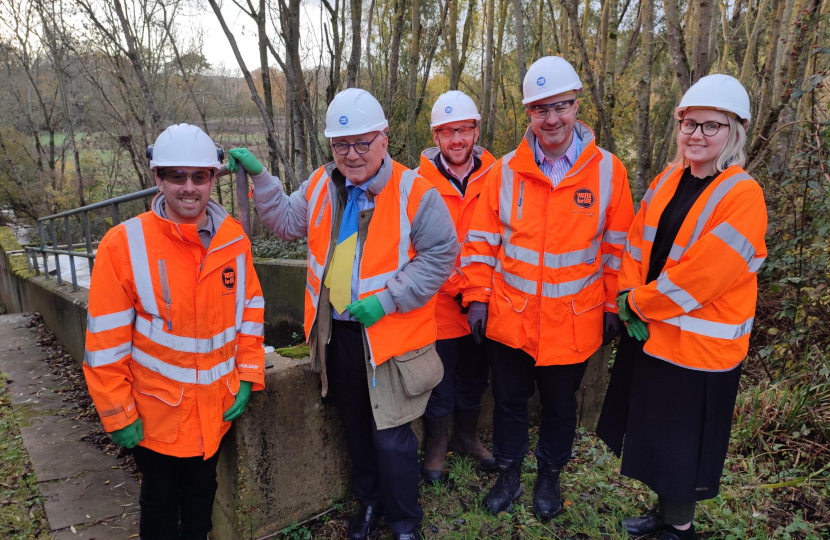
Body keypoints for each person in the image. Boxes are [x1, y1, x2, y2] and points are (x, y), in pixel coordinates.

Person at [230, 88, 457, 540]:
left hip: (389, 336)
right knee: (355, 425)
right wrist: (261, 178)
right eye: (341, 145)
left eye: (362, 143)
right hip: (338, 335)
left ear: (384, 140)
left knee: (392, 435)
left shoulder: (415, 191)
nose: (351, 155)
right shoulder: (322, 184)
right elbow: (288, 222)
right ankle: (369, 504)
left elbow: (441, 255)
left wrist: (389, 299)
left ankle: (404, 521)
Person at [457, 56, 634, 520]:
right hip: (511, 319)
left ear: (578, 106)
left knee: (559, 408)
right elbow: (480, 243)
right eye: (540, 110)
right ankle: (510, 471)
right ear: (528, 114)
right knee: (511, 403)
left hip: (573, 324)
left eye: (561, 106)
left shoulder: (609, 173)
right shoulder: (504, 172)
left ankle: (549, 477)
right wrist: (476, 298)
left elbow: (619, 248)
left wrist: (614, 304)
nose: (551, 119)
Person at [595, 75, 767, 540]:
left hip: (698, 351)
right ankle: (665, 515)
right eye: (688, 124)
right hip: (655, 339)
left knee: (682, 451)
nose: (696, 135)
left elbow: (703, 277)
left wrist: (639, 304)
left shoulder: (742, 195)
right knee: (658, 441)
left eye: (710, 126)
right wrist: (627, 296)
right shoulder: (670, 178)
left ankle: (679, 529)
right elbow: (636, 242)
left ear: (734, 131)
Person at [82, 123, 266, 540]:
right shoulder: (122, 245)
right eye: (176, 176)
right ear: (158, 178)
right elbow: (105, 343)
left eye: (199, 176)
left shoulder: (233, 239)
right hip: (156, 417)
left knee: (202, 503)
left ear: (213, 179)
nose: (189, 187)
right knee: (161, 509)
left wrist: (249, 374)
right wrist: (117, 413)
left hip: (213, 411)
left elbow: (251, 310)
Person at [415, 90, 499, 482]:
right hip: (441, 306)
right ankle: (437, 444)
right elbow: (421, 248)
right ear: (436, 136)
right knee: (440, 381)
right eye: (447, 132)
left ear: (476, 130)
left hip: (487, 305)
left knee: (475, 376)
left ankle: (467, 436)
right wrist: (464, 290)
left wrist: (480, 292)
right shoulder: (418, 184)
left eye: (463, 129)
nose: (457, 140)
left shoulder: (500, 177)